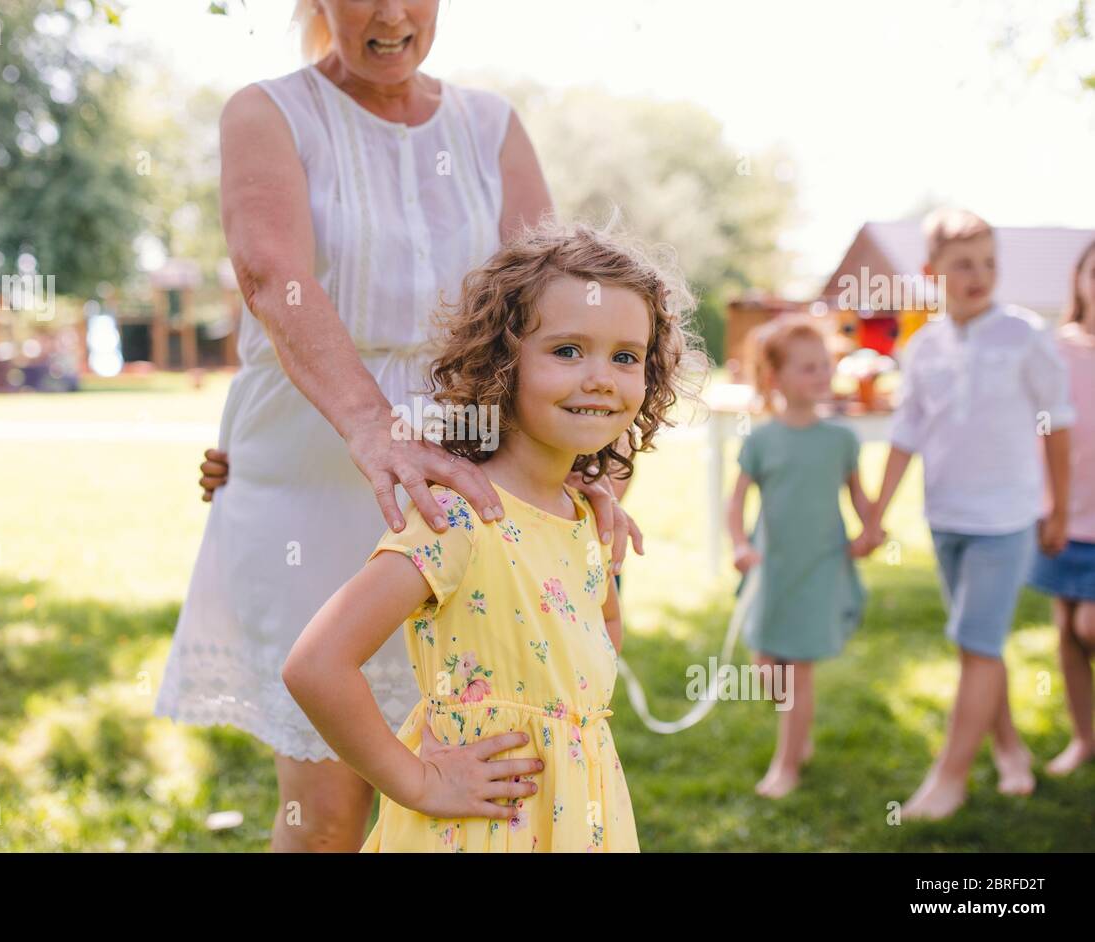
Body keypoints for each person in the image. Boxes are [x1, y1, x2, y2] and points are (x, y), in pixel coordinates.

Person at [157, 0, 642, 853]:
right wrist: (375, 430)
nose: (389, 13)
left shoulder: (491, 126)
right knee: (331, 800)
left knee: (491, 758)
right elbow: (274, 277)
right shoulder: (269, 111)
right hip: (315, 459)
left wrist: (588, 469)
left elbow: (554, 303)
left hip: (474, 466)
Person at [283, 221, 702, 851]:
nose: (600, 377)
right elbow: (316, 665)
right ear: (503, 365)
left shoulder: (584, 515)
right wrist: (417, 782)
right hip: (477, 825)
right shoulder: (459, 519)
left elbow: (598, 636)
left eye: (625, 356)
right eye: (567, 351)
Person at [861, 208, 1075, 820]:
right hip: (946, 516)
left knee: (976, 642)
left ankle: (949, 778)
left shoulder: (1025, 333)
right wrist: (876, 513)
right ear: (932, 272)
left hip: (1006, 520)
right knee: (975, 646)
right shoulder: (923, 345)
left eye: (988, 263)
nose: (979, 275)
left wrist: (1056, 507)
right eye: (963, 265)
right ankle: (1010, 751)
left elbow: (1057, 423)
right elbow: (906, 433)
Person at [726, 316, 880, 798]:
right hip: (773, 569)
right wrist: (739, 545)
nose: (822, 375)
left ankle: (787, 765)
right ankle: (797, 734)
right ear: (776, 379)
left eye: (825, 366)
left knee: (796, 670)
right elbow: (737, 503)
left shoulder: (840, 440)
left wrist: (871, 530)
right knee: (767, 669)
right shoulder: (762, 441)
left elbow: (859, 496)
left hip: (820, 566)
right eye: (808, 368)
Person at [1027, 238, 1095, 776]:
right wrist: (1044, 505)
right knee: (1066, 627)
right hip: (1060, 511)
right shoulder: (1055, 348)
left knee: (1089, 625)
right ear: (1079, 279)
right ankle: (1083, 738)